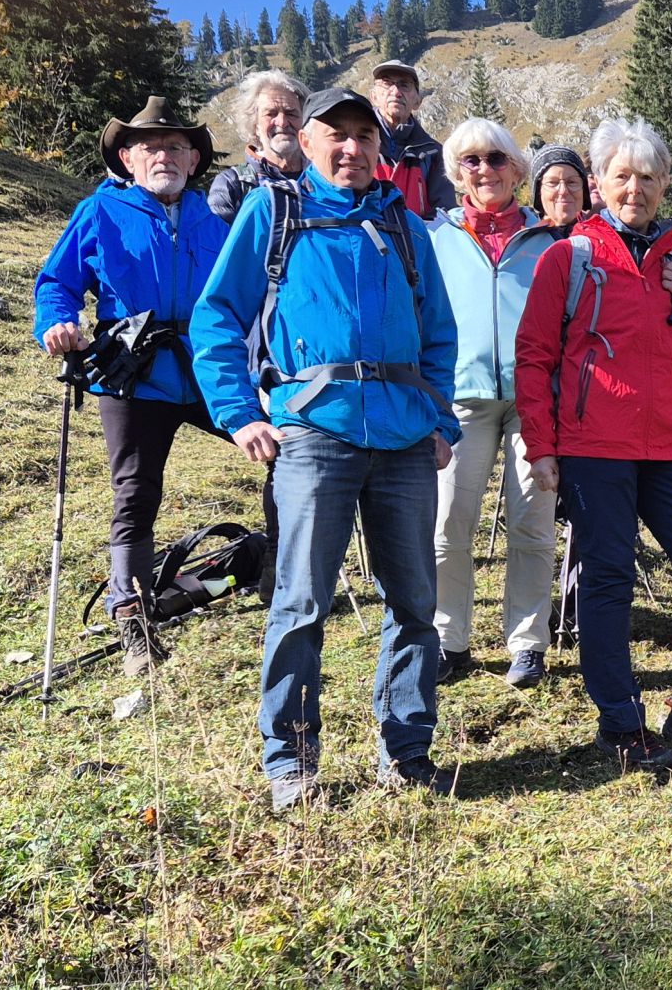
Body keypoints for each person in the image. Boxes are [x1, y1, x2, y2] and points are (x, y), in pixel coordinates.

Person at [191, 87, 461, 810]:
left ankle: (406, 752)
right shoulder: (272, 212)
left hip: (406, 438)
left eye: (364, 136)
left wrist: (442, 420)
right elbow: (215, 316)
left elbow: (439, 333)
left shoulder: (406, 226)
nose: (351, 147)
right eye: (334, 134)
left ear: (381, 148)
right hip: (312, 432)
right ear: (306, 144)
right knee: (302, 601)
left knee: (414, 601)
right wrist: (239, 413)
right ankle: (292, 762)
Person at [512, 117, 672, 767]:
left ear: (665, 190)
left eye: (649, 177)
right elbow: (534, 356)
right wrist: (542, 447)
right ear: (598, 185)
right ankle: (620, 723)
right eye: (623, 176)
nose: (637, 188)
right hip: (595, 447)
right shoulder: (568, 259)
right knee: (609, 580)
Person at [34, 96, 230, 675]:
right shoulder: (99, 212)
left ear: (194, 160)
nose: (163, 156)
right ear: (127, 157)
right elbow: (57, 283)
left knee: (280, 449)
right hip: (134, 372)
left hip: (208, 367)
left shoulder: (215, 222)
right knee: (136, 492)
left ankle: (276, 577)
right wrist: (56, 324)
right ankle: (134, 617)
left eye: (175, 147)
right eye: (150, 147)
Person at [424, 117, 563, 689]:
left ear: (517, 169)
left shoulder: (550, 240)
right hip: (460, 398)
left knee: (533, 526)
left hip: (534, 401)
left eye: (497, 159)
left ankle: (528, 643)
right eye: (472, 161)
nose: (485, 170)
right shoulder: (436, 238)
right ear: (457, 172)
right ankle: (447, 638)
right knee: (447, 526)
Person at [207, 70, 309, 223]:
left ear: (305, 121)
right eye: (271, 114)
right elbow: (216, 241)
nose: (282, 122)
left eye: (291, 113)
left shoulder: (324, 178)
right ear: (255, 125)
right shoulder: (233, 184)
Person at [367, 60, 456, 219]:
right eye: (387, 83)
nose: (396, 92)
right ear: (373, 97)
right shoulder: (357, 146)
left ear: (417, 101)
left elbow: (443, 215)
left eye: (404, 85)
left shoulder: (434, 153)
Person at [529, 145, 590, 234]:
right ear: (538, 191)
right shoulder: (526, 244)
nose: (563, 191)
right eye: (553, 183)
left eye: (572, 182)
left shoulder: (604, 238)